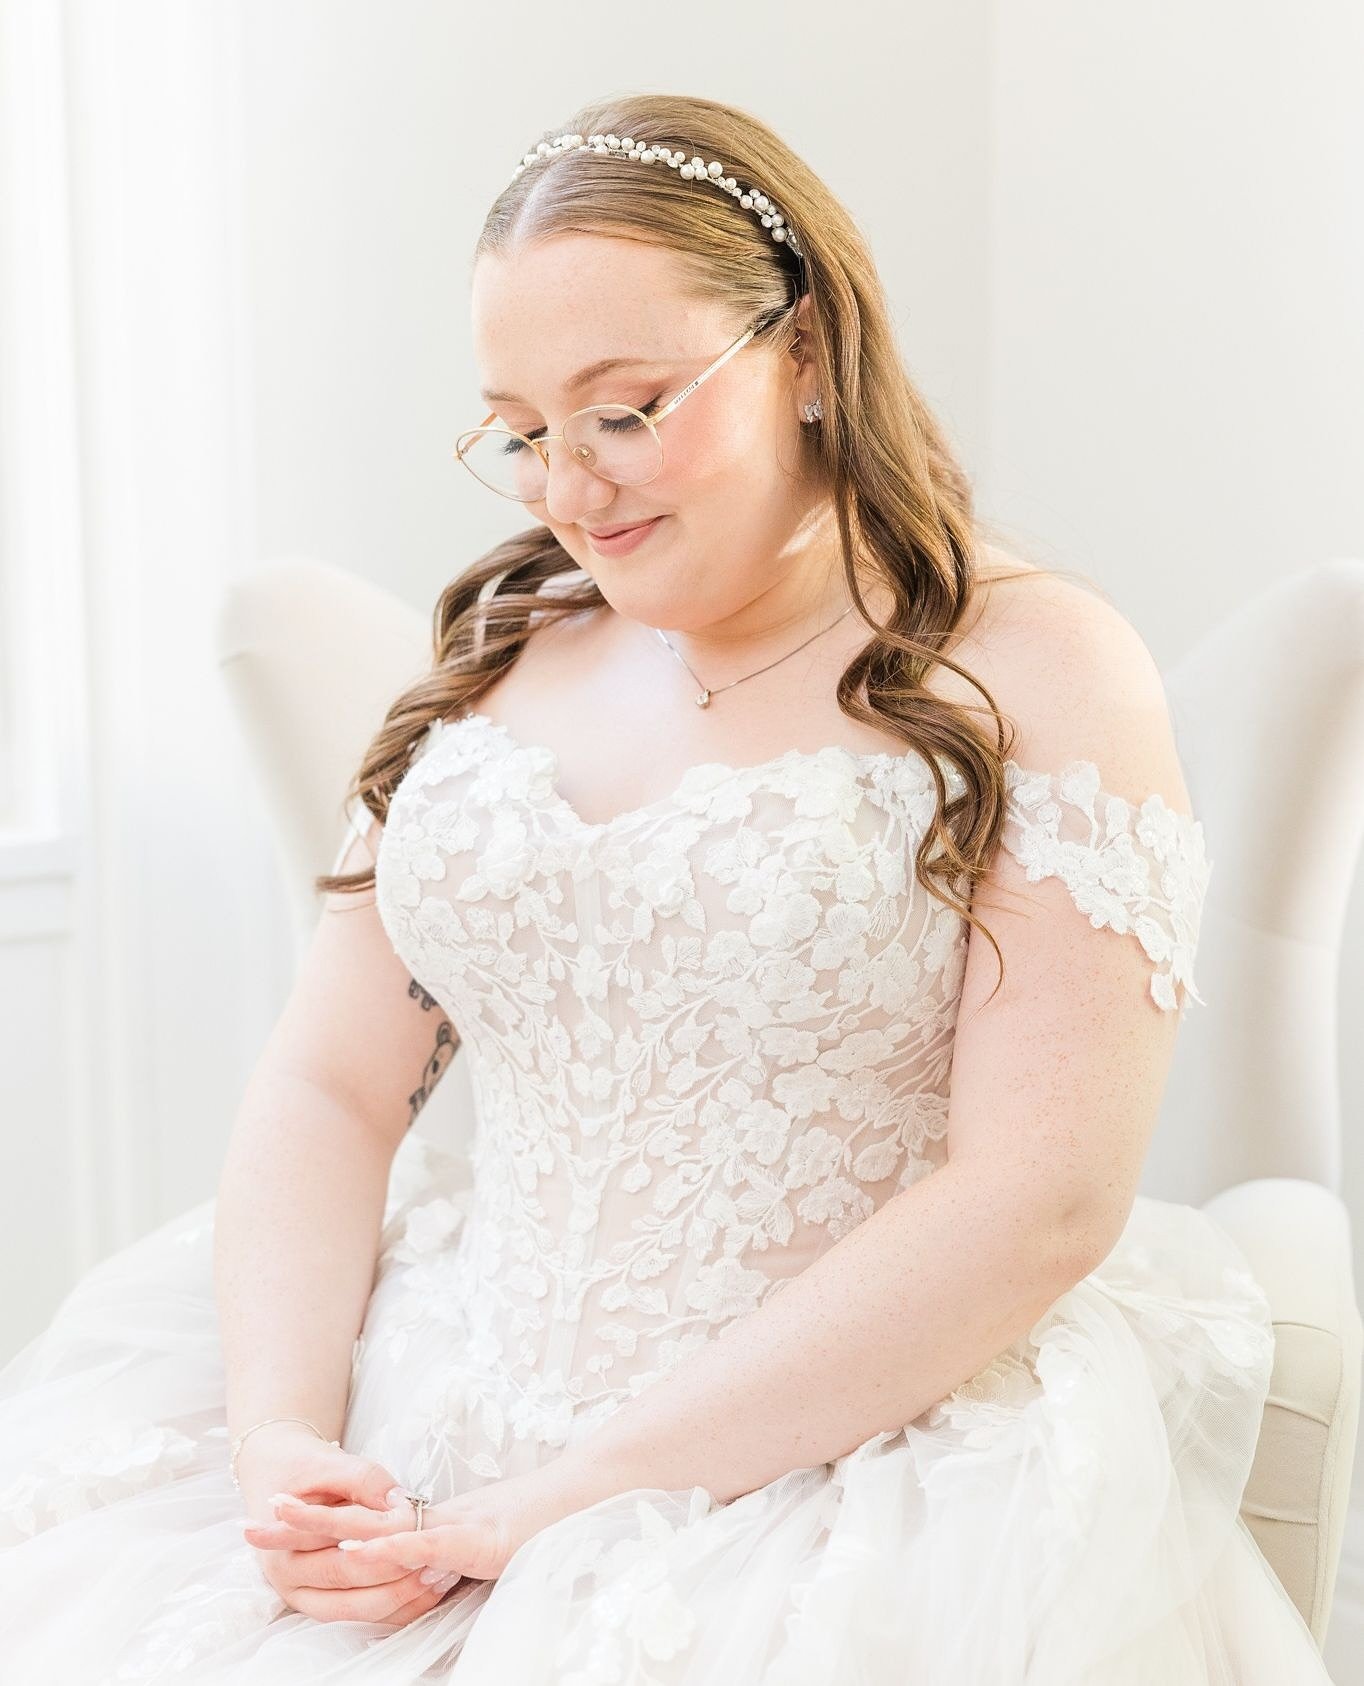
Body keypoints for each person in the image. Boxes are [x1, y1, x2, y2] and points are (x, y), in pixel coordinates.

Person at [0, 91, 1338, 1684]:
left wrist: (574, 1501)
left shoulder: (1034, 667)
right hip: (434, 1399)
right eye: (521, 429)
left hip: (847, 1454)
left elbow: (1039, 1197)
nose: (572, 486)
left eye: (627, 409)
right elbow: (335, 1080)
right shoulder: (501, 657)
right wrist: (283, 1428)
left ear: (810, 355)